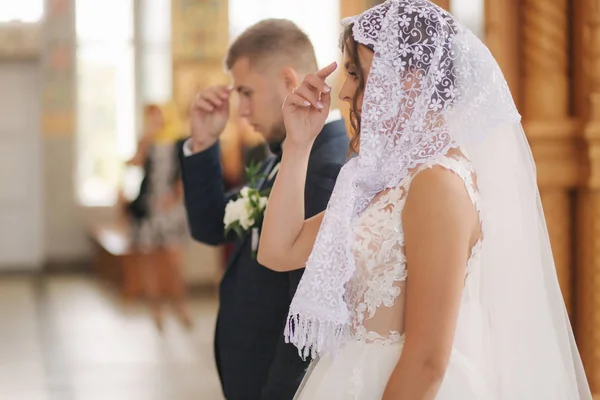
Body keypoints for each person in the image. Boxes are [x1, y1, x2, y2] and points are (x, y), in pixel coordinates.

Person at [257, 1, 592, 399]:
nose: (344, 92)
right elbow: (279, 250)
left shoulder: (438, 183)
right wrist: (298, 144)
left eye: (355, 73)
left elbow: (428, 362)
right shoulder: (386, 179)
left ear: (408, 79)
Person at [178, 19, 349, 399]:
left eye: (246, 92)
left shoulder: (327, 169)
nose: (241, 111)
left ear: (288, 80)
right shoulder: (280, 159)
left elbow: (307, 316)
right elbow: (211, 226)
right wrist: (204, 142)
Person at [121, 103, 191, 331]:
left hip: (171, 209)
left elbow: (184, 175)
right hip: (149, 208)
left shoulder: (178, 141)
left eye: (157, 116)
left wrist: (172, 198)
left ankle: (180, 306)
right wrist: (146, 137)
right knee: (149, 260)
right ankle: (156, 310)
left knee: (174, 261)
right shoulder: (147, 142)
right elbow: (135, 163)